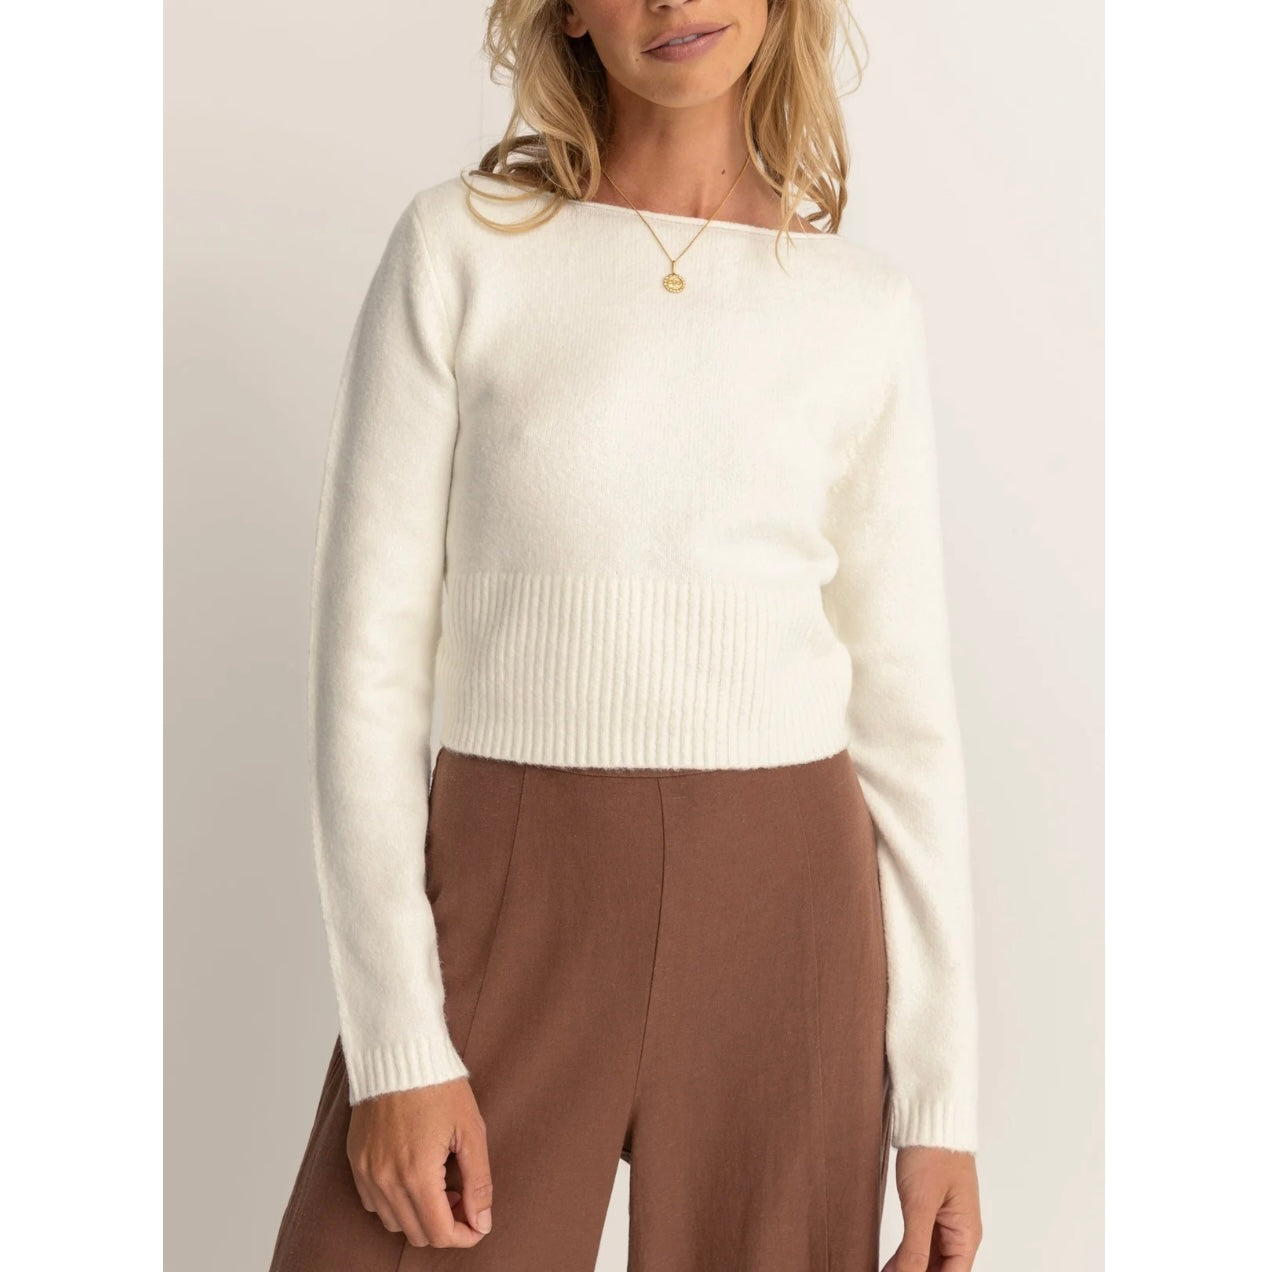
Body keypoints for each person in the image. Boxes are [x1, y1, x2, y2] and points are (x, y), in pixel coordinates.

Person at [269, 2, 984, 1269]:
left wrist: (940, 1108)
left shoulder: (858, 307)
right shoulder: (461, 249)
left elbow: (905, 713)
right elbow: (363, 671)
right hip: (513, 879)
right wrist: (394, 1046)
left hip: (786, 905)